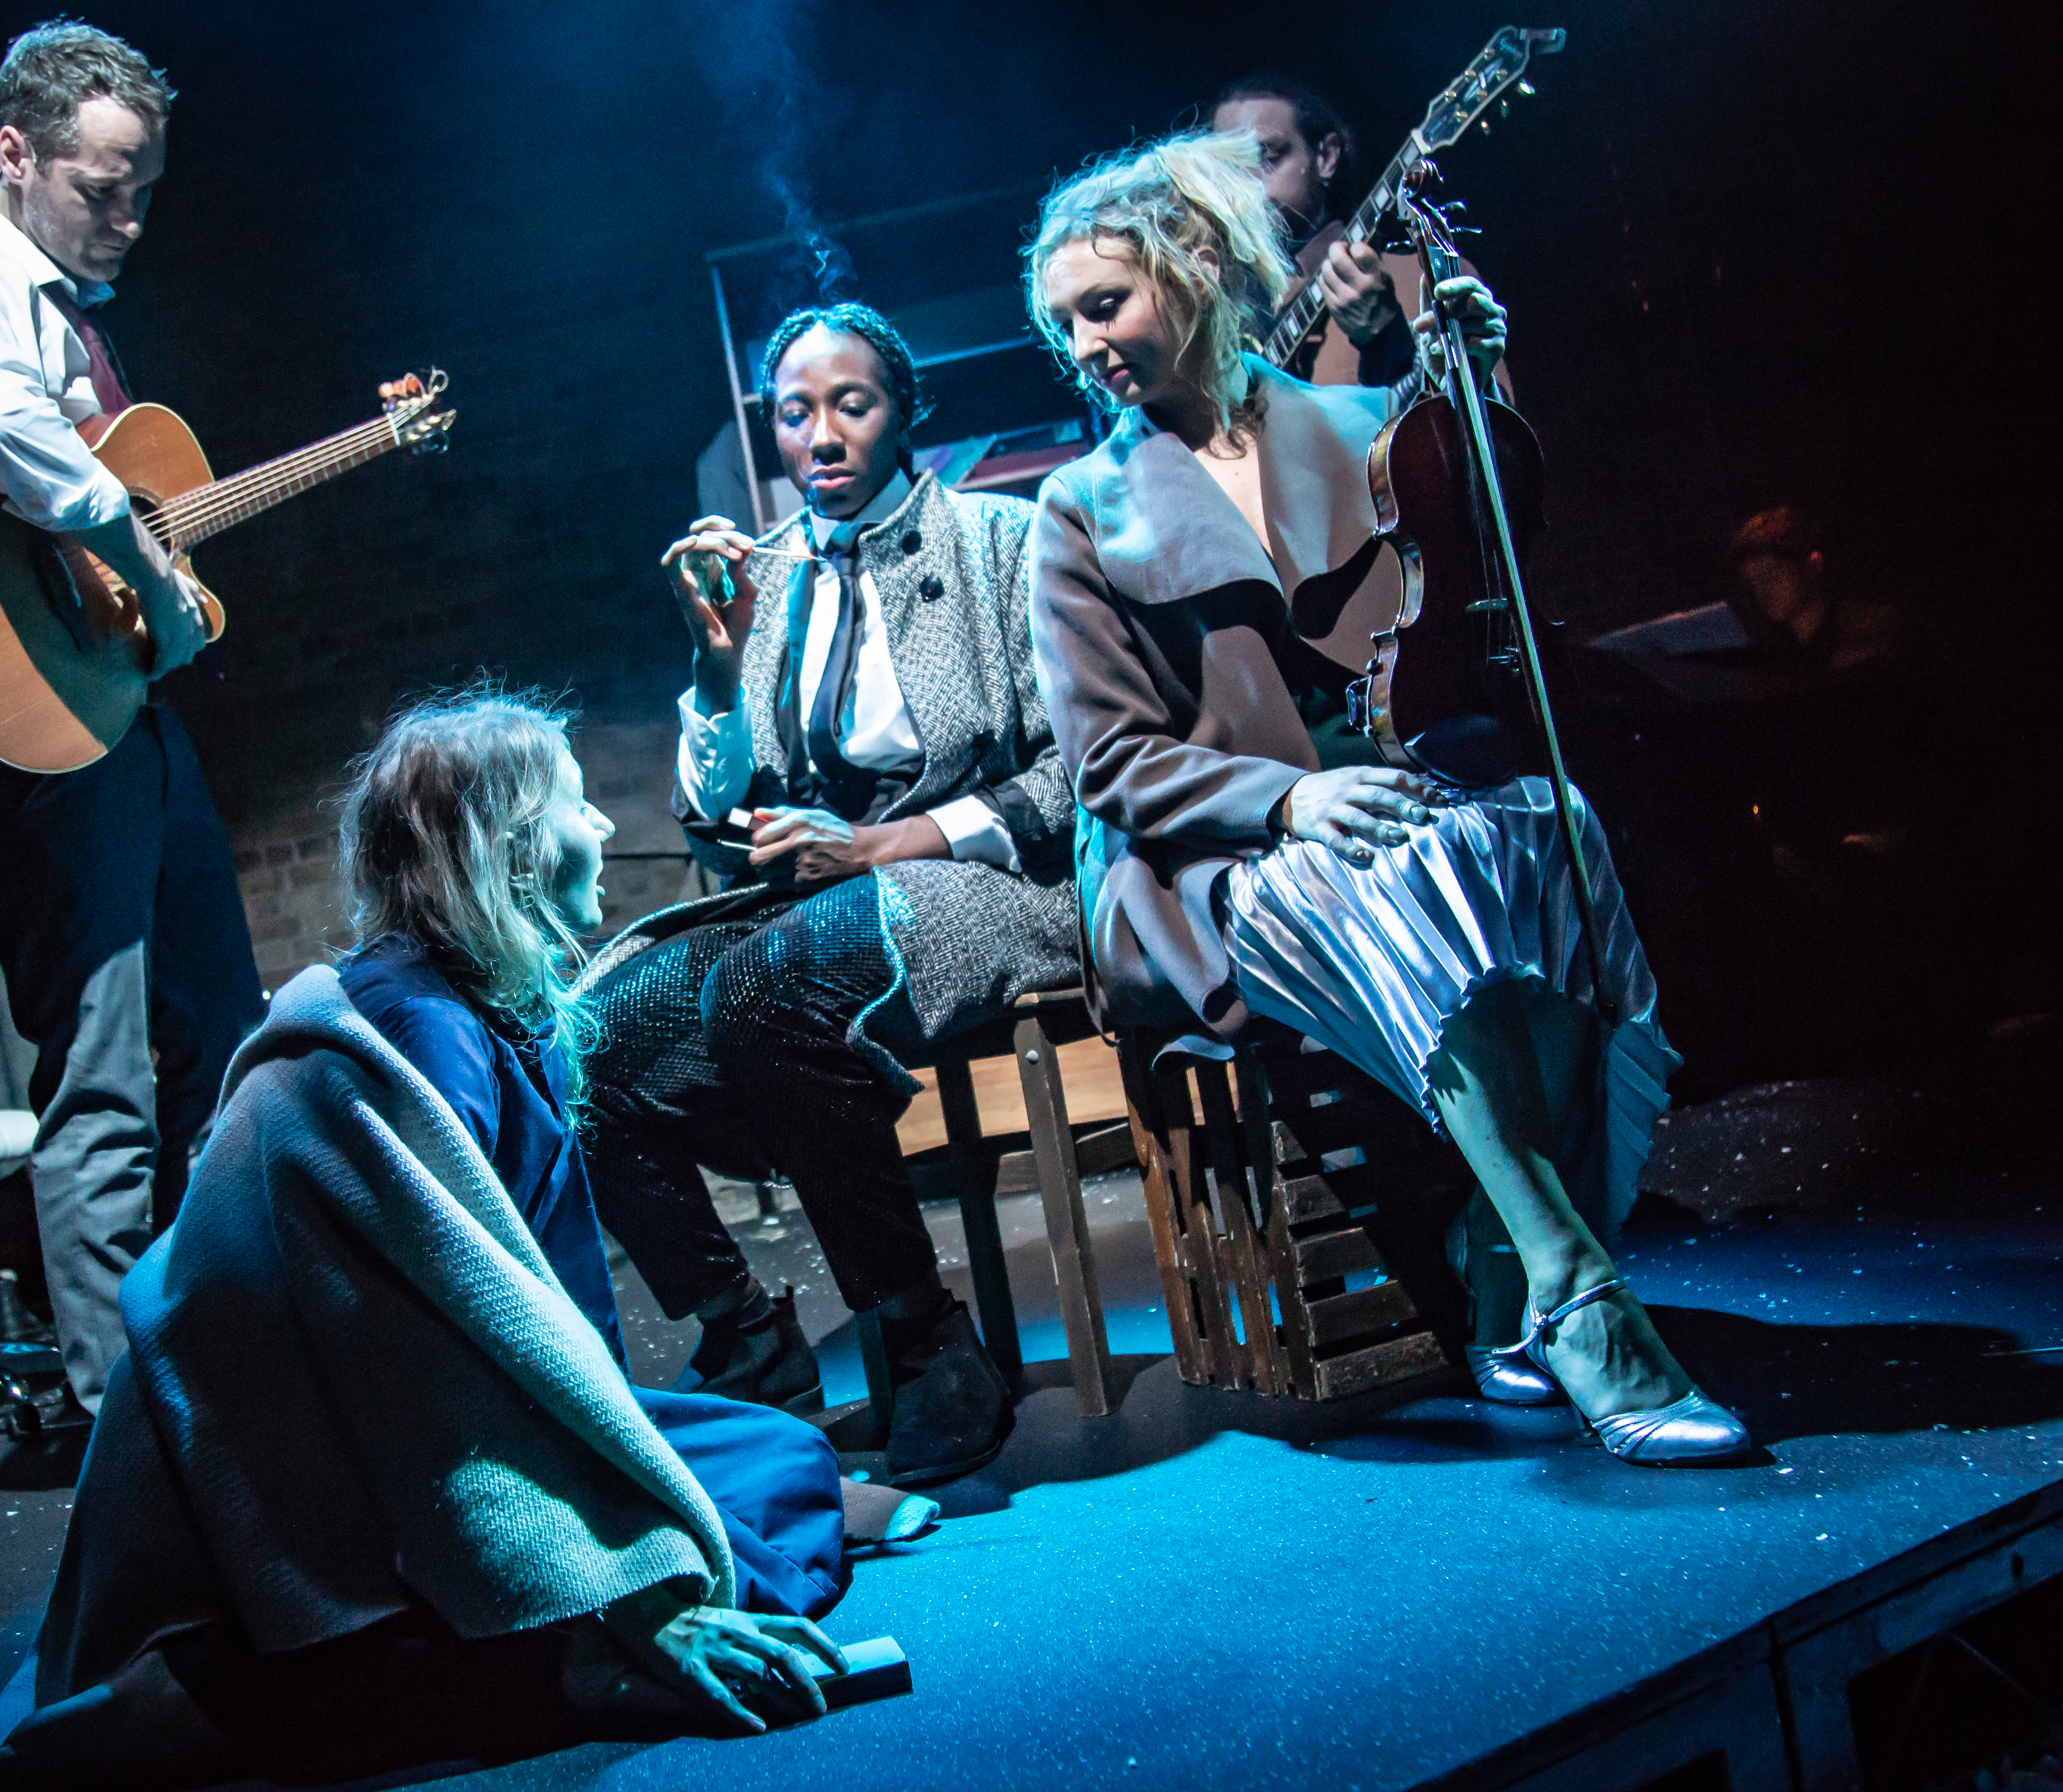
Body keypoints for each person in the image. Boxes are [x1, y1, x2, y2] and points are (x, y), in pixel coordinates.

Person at [0, 692, 899, 1790]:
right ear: (507, 853)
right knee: (665, 1578)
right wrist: (626, 1591)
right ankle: (219, 1699)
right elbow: (420, 1350)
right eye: (578, 807)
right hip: (321, 1457)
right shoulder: (422, 1033)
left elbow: (531, 1312)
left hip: (423, 1408)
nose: (600, 829)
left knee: (776, 1459)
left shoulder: (485, 1002)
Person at [1022, 129, 1751, 1466]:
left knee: (1552, 829)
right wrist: (1284, 805)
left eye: (1102, 304)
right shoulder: (1076, 509)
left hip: (1388, 804)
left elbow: (1489, 565)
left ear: (1193, 269)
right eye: (1061, 321)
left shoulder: (1362, 432)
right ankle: (1581, 1298)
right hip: (1200, 861)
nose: (1082, 344)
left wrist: (1467, 372)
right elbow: (1107, 765)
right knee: (1386, 871)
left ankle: (1493, 1275)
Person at [576, 302, 1082, 1489]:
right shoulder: (769, 575)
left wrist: (887, 843)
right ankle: (745, 1340)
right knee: (583, 1036)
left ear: (903, 412)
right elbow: (713, 815)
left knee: (768, 986)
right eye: (796, 412)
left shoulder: (1002, 541)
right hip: (812, 912)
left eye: (851, 405)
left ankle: (923, 1336)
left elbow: (1074, 771)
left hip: (981, 880)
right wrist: (714, 661)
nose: (823, 435)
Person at [0, 22, 273, 1412]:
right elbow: (2, 430)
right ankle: (132, 1437)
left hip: (124, 722)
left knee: (233, 1039)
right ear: (15, 154)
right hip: (41, 740)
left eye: (144, 189)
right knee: (101, 1084)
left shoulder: (63, 308)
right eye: (102, 185)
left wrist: (145, 580)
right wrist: (148, 566)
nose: (128, 217)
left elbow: (87, 484)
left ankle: (240, 1354)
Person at [1211, 73, 1504, 397]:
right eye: (1227, 169)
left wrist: (1390, 343)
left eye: (1266, 157)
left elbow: (1493, 435)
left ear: (1325, 157)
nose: (1243, 185)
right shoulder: (1214, 307)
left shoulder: (1429, 279)